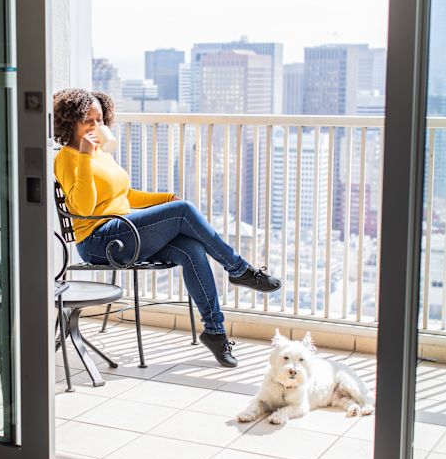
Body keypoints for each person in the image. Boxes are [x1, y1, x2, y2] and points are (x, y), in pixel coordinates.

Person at [53, 88, 281, 368]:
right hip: (100, 241)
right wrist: (85, 157)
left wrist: (166, 199)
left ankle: (215, 332)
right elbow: (84, 209)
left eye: (100, 120)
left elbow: (125, 196)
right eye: (88, 120)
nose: (96, 126)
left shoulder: (100, 153)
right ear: (70, 122)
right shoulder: (68, 157)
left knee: (192, 249)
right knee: (184, 213)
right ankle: (239, 269)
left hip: (125, 232)